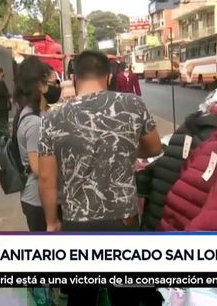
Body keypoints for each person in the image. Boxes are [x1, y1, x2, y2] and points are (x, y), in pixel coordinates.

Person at [38, 50, 163, 306]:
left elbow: (46, 180)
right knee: (126, 298)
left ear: (74, 78)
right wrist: (124, 147)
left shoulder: (52, 119)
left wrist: (52, 223)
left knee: (81, 298)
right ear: (108, 77)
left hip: (77, 223)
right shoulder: (133, 105)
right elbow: (154, 148)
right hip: (124, 220)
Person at [14, 56, 62, 306]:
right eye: (54, 80)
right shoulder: (33, 122)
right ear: (41, 85)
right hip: (38, 199)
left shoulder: (34, 113)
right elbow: (38, 167)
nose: (57, 85)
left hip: (37, 197)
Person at [0, 67, 12, 141]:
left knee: (5, 120)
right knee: (3, 121)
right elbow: (2, 92)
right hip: (0, 105)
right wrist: (9, 96)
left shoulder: (0, 81)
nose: (3, 73)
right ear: (0, 73)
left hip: (3, 105)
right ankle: (4, 137)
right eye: (2, 72)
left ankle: (5, 136)